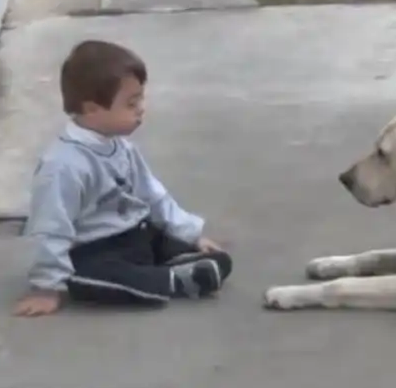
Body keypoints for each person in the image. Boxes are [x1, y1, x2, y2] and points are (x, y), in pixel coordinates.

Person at [13, 39, 232, 317]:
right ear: (91, 109)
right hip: (94, 250)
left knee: (179, 243)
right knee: (86, 279)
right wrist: (47, 286)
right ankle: (171, 280)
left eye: (140, 98)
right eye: (131, 103)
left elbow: (153, 195)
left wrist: (190, 233)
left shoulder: (121, 146)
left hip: (135, 234)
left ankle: (176, 264)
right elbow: (51, 227)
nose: (141, 108)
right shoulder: (63, 166)